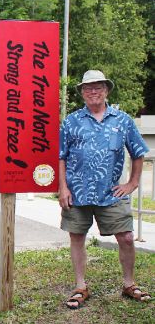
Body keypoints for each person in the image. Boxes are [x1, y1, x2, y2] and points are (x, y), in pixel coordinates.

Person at [59, 70, 151, 309]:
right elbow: (61, 156)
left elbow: (139, 152)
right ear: (81, 93)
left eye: (98, 87)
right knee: (76, 237)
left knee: (127, 237)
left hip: (112, 193)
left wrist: (132, 183)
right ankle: (80, 286)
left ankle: (129, 283)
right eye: (88, 88)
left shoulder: (123, 120)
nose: (93, 91)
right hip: (77, 193)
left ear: (106, 90)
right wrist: (63, 188)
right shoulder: (71, 121)